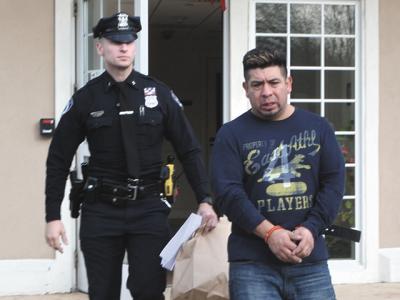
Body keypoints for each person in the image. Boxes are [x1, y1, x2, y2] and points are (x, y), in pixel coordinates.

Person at [44, 12, 218, 300]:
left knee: (148, 290)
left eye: (129, 41)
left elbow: (189, 149)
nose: (123, 47)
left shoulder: (158, 94)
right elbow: (58, 158)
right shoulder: (86, 99)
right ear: (100, 48)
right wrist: (53, 216)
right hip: (101, 210)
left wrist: (205, 199)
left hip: (148, 209)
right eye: (115, 42)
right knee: (102, 292)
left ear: (135, 45)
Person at [210, 48, 345, 300]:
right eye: (257, 84)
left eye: (274, 82)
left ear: (288, 83)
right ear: (245, 88)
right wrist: (270, 233)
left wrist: (311, 229)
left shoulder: (318, 127)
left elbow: (334, 185)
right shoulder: (230, 135)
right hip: (252, 265)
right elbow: (227, 194)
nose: (266, 92)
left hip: (310, 262)